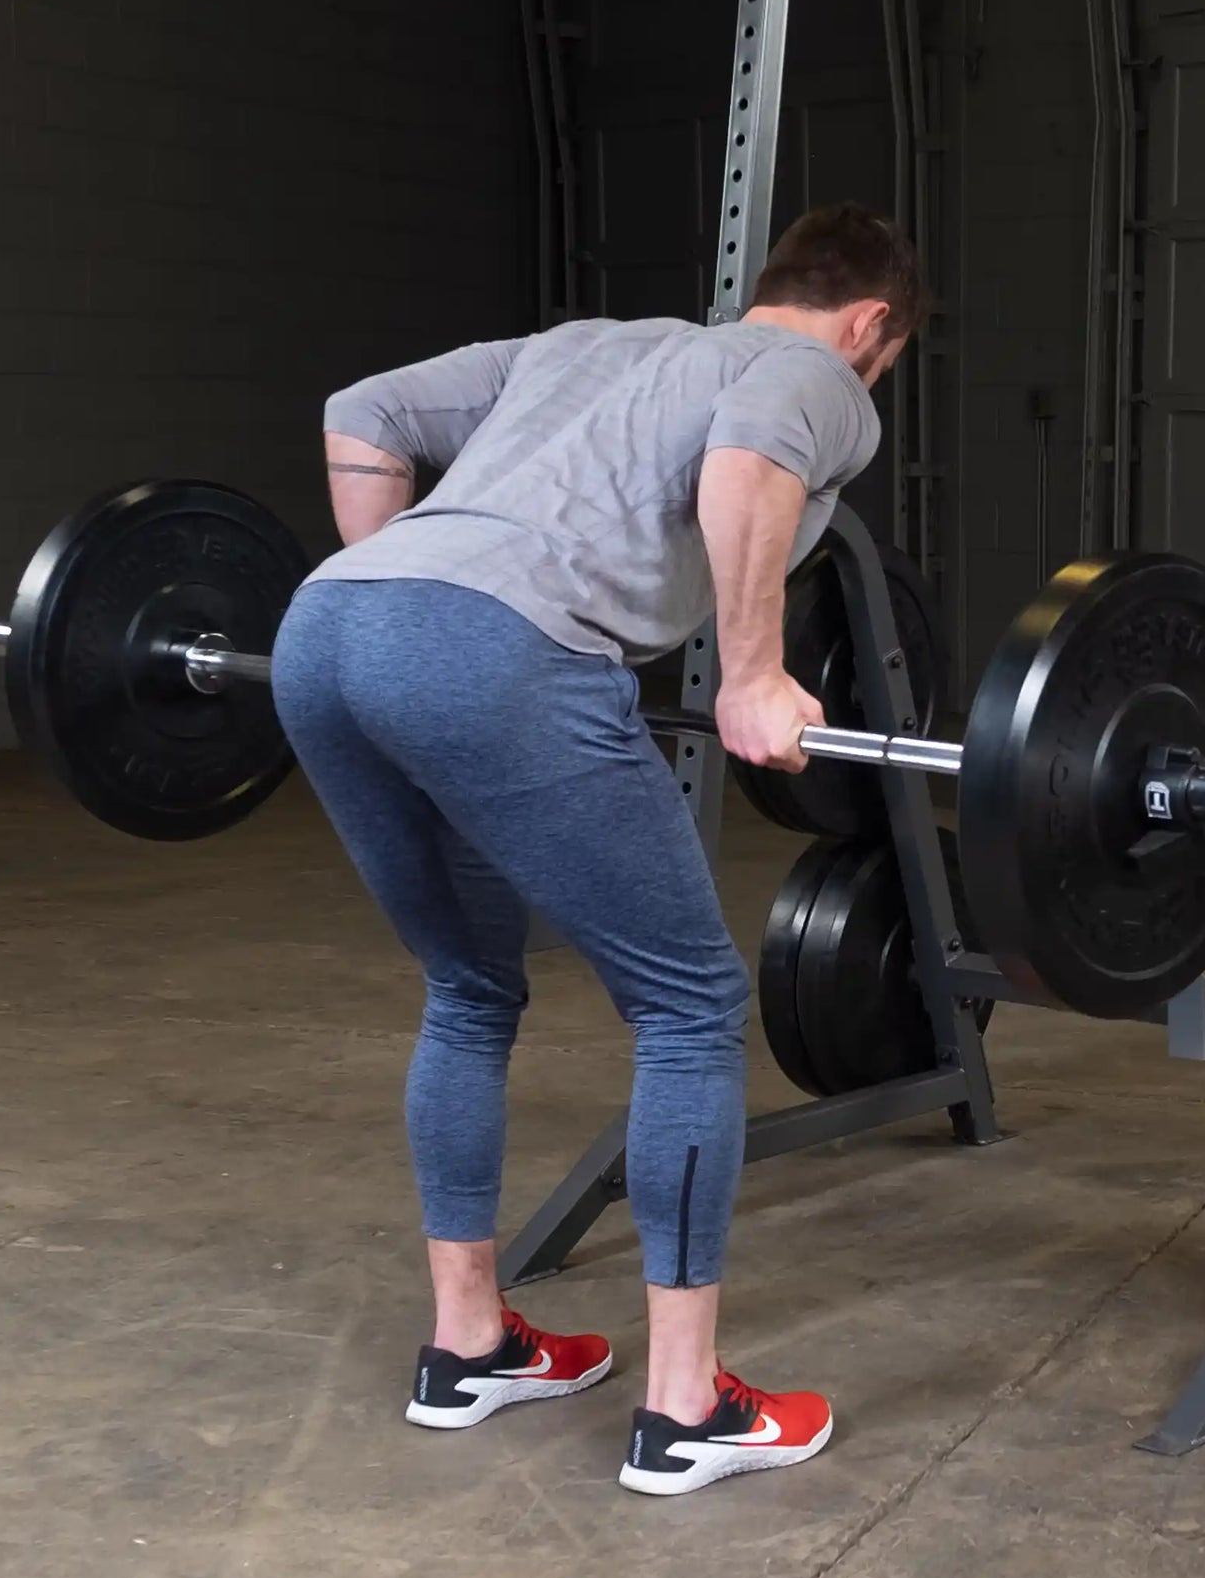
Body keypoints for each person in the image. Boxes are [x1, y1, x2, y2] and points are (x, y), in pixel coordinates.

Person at [269, 203, 919, 1496]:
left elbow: (364, 410)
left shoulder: (584, 341)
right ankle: (684, 1411)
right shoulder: (816, 374)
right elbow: (749, 457)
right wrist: (750, 673)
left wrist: (411, 602)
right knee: (688, 1007)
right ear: (869, 325)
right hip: (501, 655)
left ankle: (470, 1345)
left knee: (468, 984)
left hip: (326, 629)